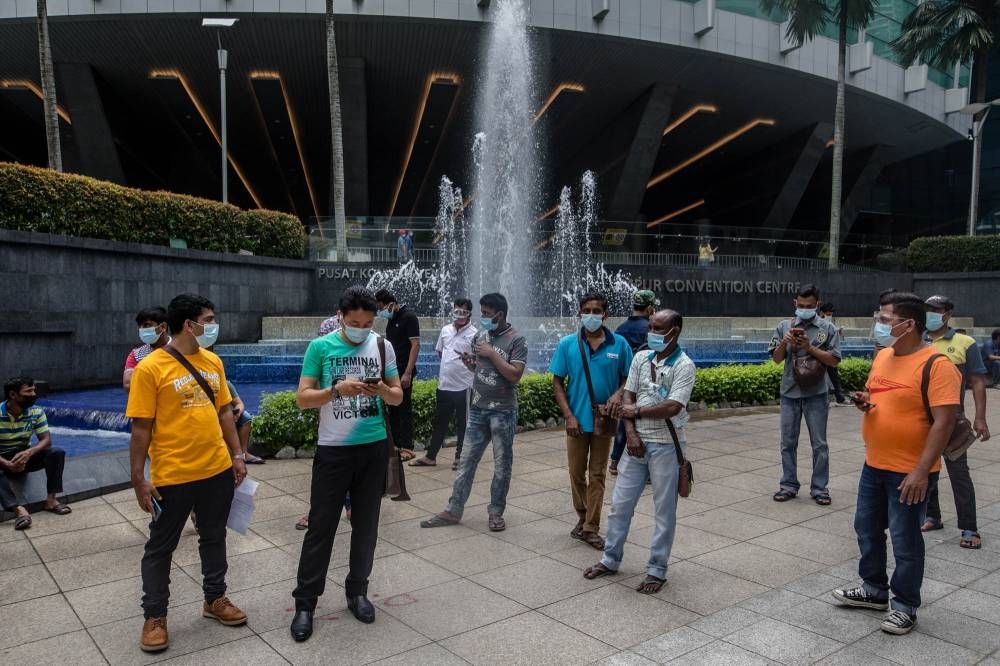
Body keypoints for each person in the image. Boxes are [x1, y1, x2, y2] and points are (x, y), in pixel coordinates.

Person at [833, 291, 961, 635]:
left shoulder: (938, 365)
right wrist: (866, 402)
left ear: (909, 324)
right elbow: (879, 394)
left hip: (910, 471)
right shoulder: (884, 356)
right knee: (867, 529)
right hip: (874, 463)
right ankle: (874, 590)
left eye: (886, 320)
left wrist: (921, 471)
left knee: (906, 541)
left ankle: (905, 605)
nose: (879, 324)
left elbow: (944, 422)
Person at [126, 293, 248, 653]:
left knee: (213, 537)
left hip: (216, 470)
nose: (212, 325)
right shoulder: (151, 368)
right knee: (161, 547)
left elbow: (225, 412)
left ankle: (215, 599)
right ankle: (155, 616)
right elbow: (141, 428)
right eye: (207, 320)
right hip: (172, 476)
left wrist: (237, 455)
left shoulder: (213, 361)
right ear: (187, 325)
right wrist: (138, 478)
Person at [290, 287, 404, 642]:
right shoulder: (320, 348)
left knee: (366, 525)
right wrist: (337, 390)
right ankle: (306, 603)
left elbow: (398, 395)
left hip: (372, 449)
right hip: (334, 450)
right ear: (340, 317)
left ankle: (358, 591)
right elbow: (302, 398)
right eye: (354, 323)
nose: (361, 329)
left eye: (368, 323)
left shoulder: (381, 345)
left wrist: (381, 390)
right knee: (320, 528)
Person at [582, 309, 696, 594]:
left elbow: (673, 406)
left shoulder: (684, 365)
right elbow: (628, 395)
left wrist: (637, 411)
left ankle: (657, 569)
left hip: (667, 447)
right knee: (620, 505)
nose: (652, 333)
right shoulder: (640, 358)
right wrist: (630, 434)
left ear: (675, 330)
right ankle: (610, 559)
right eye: (651, 327)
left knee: (664, 511)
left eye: (659, 328)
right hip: (636, 446)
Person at [420, 293, 527, 533]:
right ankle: (453, 509)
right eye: (482, 313)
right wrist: (472, 364)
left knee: (502, 466)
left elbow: (514, 375)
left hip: (503, 412)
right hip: (478, 409)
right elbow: (480, 369)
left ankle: (496, 512)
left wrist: (491, 353)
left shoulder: (516, 340)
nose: (483, 318)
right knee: (466, 462)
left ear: (500, 314)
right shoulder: (480, 336)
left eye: (487, 314)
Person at [550, 292, 633, 550]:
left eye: (597, 311)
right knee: (576, 472)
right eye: (587, 310)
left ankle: (590, 527)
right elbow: (557, 381)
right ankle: (582, 515)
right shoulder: (567, 344)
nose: (592, 315)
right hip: (576, 420)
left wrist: (618, 395)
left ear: (605, 315)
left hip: (604, 421)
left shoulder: (619, 345)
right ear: (579, 313)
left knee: (597, 473)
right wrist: (569, 416)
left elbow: (630, 378)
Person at [920, 295, 991, 549]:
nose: (931, 314)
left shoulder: (964, 342)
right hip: (921, 418)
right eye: (927, 310)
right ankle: (932, 515)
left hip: (951, 419)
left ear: (948, 314)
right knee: (927, 470)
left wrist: (980, 417)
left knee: (959, 473)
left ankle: (969, 527)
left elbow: (978, 381)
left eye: (936, 310)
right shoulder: (918, 340)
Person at [769, 284, 841, 505]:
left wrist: (810, 348)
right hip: (790, 392)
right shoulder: (784, 326)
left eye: (809, 306)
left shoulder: (827, 329)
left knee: (819, 443)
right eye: (801, 305)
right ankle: (788, 484)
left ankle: (820, 488)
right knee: (787, 442)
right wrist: (785, 341)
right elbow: (776, 359)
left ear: (817, 305)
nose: (804, 309)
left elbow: (834, 360)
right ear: (795, 303)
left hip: (817, 393)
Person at [410, 298, 477, 470]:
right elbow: (441, 352)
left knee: (464, 424)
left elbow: (478, 362)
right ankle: (430, 457)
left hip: (465, 386)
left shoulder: (475, 334)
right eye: (456, 311)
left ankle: (460, 458)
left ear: (469, 314)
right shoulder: (446, 330)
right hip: (445, 385)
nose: (459, 315)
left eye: (463, 312)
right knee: (440, 422)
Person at [296, 313, 346, 531]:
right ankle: (315, 511)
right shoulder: (327, 329)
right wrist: (319, 397)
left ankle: (351, 505)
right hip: (330, 407)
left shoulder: (371, 339)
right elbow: (318, 370)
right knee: (326, 469)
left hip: (359, 420)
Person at [1, 377, 71, 531]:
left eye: (34, 390)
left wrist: (28, 453)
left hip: (24, 456)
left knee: (56, 453)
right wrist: (7, 464)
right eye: (28, 391)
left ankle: (51, 500)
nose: (33, 394)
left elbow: (46, 440)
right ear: (13, 395)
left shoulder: (36, 412)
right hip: (2, 459)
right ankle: (18, 510)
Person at [610, 289, 659, 475]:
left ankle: (615, 460)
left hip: (623, 382)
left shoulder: (620, 329)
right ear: (649, 308)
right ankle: (645, 466)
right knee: (644, 420)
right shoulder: (651, 330)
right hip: (645, 383)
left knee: (625, 419)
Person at [375, 289, 420, 461]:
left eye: (382, 308)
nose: (381, 312)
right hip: (392, 371)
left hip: (404, 372)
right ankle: (395, 445)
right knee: (393, 408)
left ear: (391, 304)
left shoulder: (409, 317)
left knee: (404, 408)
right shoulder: (392, 319)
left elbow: (415, 345)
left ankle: (407, 447)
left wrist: (408, 373)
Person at [123, 306, 170, 391]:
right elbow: (128, 384)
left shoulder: (180, 349)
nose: (141, 329)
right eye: (140, 326)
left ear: (163, 327)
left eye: (147, 325)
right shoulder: (136, 355)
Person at [819, 303, 850, 406]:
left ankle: (839, 398)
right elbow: (820, 339)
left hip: (830, 355)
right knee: (823, 378)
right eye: (828, 313)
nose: (830, 315)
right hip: (822, 355)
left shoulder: (829, 323)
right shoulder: (818, 323)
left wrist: (837, 332)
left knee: (834, 377)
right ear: (822, 313)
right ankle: (827, 398)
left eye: (831, 313)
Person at [227, 381, 264, 465]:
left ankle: (244, 454)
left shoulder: (226, 384)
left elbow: (239, 403)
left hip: (228, 414)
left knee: (246, 417)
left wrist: (237, 412)